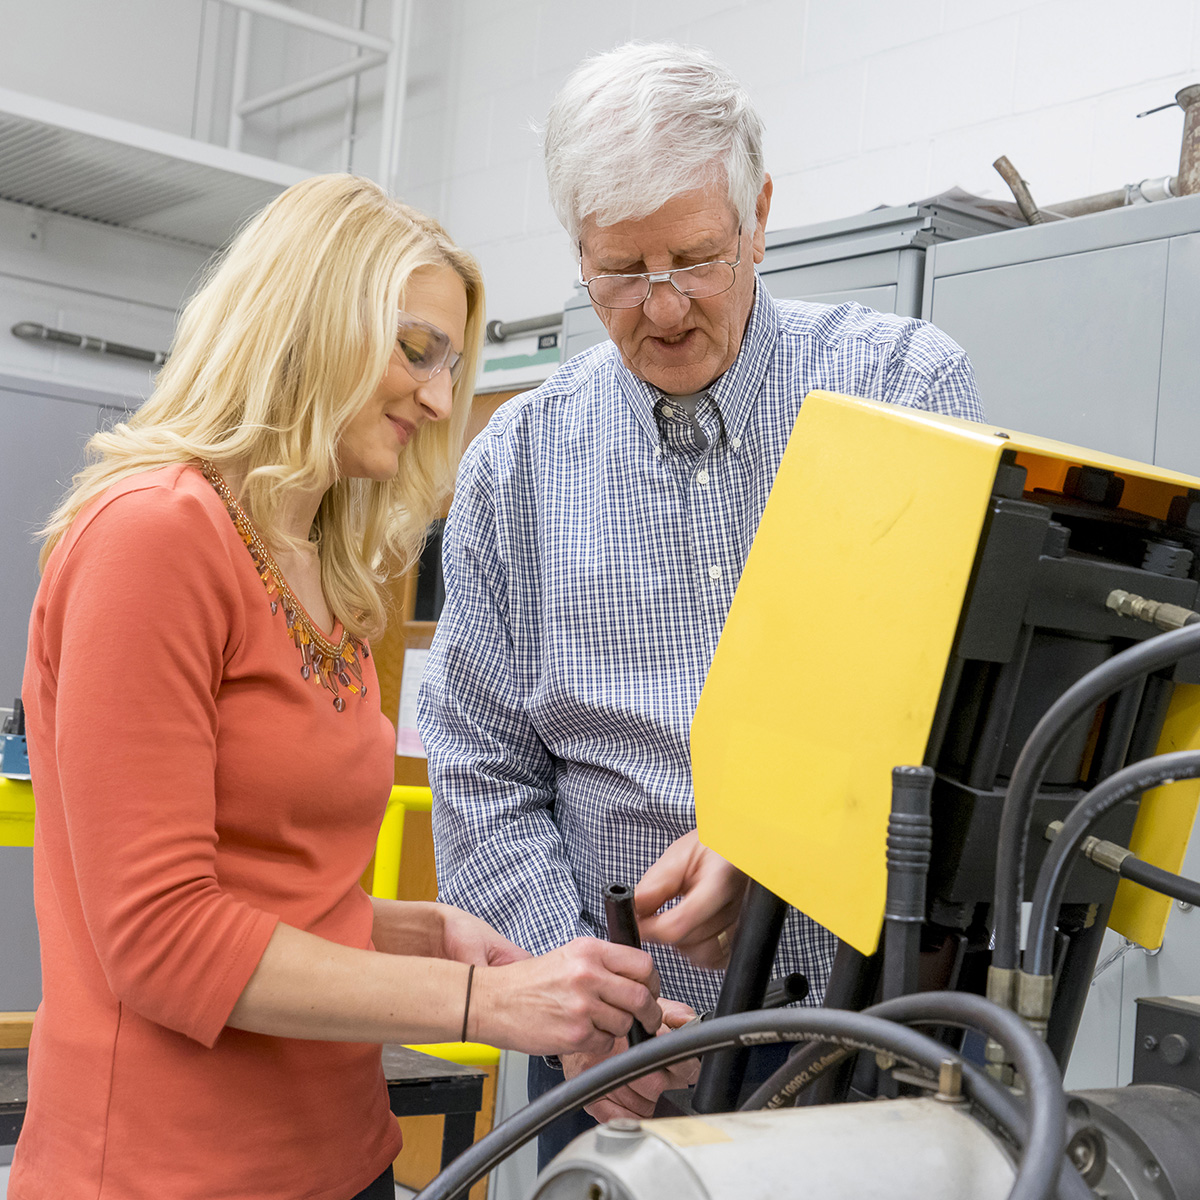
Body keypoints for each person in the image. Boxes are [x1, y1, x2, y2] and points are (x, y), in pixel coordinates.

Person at [9, 174, 664, 1200]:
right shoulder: (155, 535)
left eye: (452, 365)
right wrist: (481, 1007)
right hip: (164, 1173)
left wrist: (420, 929)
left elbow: (277, 884)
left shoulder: (326, 565)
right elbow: (164, 939)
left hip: (338, 1158)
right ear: (308, 320)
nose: (441, 398)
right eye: (416, 352)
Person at [418, 42, 985, 1165]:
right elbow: (479, 768)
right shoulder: (517, 463)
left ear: (760, 215)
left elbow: (956, 714)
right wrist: (573, 998)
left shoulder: (903, 393)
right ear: (576, 250)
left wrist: (774, 837)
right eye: (621, 270)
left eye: (695, 258)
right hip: (608, 1054)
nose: (664, 308)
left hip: (864, 1035)